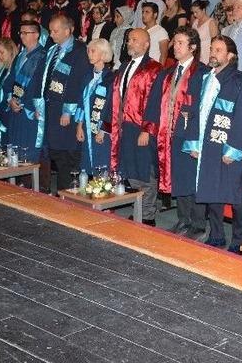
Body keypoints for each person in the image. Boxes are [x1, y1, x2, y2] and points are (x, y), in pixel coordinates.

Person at [181, 35, 242, 253]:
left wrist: (234, 150)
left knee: (236, 195)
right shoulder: (206, 78)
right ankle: (217, 235)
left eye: (218, 50)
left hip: (228, 146)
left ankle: (238, 240)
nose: (212, 53)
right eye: (212, 49)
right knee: (211, 190)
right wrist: (194, 143)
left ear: (230, 56)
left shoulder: (240, 81)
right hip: (207, 145)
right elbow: (196, 112)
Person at [144, 27, 209, 239]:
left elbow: (204, 107)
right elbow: (154, 102)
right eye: (175, 42)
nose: (175, 46)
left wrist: (196, 137)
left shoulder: (202, 73)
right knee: (178, 178)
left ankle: (198, 225)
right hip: (169, 134)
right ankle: (183, 220)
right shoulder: (168, 72)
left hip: (190, 134)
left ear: (193, 47)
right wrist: (151, 129)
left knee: (192, 180)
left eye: (181, 43)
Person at [109, 28, 162, 227]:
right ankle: (138, 209)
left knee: (145, 171)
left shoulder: (154, 68)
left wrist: (147, 129)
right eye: (129, 39)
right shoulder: (124, 66)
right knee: (131, 170)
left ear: (146, 44)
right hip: (125, 126)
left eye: (134, 39)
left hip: (142, 126)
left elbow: (155, 102)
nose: (129, 42)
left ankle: (148, 215)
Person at [44, 14, 91, 193]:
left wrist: (68, 111)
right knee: (57, 152)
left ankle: (69, 193)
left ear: (67, 31)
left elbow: (79, 83)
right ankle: (63, 191)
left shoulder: (80, 51)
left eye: (55, 31)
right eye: (50, 31)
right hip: (52, 107)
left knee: (69, 154)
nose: (51, 35)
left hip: (68, 112)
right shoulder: (52, 50)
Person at [6, 21, 47, 163]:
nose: (22, 36)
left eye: (26, 33)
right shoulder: (20, 55)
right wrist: (10, 99)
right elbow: (11, 80)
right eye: (21, 33)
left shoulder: (42, 56)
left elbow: (39, 85)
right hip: (16, 107)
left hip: (30, 109)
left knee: (29, 152)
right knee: (15, 150)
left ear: (36, 35)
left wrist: (27, 105)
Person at [76, 38, 114, 176]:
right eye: (88, 51)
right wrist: (79, 125)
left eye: (93, 51)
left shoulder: (111, 78)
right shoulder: (87, 77)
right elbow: (81, 102)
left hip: (102, 129)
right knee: (88, 164)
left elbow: (112, 107)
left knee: (102, 162)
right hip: (87, 127)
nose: (89, 54)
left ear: (103, 55)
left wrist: (104, 130)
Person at [0, 36, 18, 148]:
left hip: (9, 114)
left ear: (11, 51)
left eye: (2, 52)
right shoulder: (3, 70)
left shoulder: (16, 69)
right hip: (0, 113)